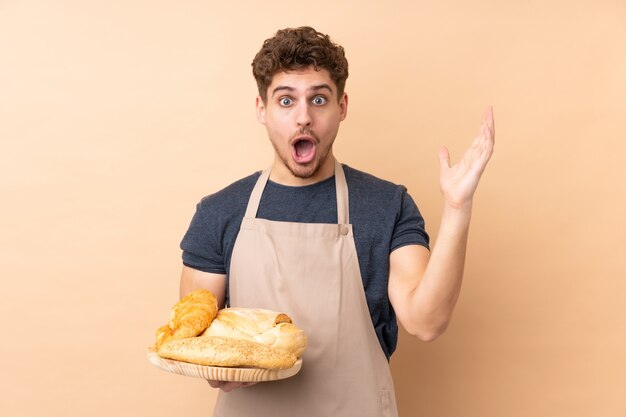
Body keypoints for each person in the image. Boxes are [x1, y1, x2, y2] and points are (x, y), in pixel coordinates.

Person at [178, 26, 494, 417]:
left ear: (342, 106)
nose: (304, 118)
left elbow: (426, 321)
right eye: (286, 101)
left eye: (319, 99)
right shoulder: (219, 212)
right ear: (262, 110)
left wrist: (458, 207)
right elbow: (196, 339)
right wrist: (215, 369)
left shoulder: (386, 205)